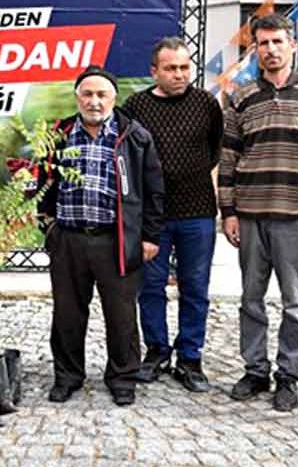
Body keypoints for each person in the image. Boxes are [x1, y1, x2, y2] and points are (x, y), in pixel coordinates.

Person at [218, 13, 298, 412]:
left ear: (292, 45)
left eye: (277, 42)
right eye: (263, 43)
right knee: (251, 300)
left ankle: (289, 375)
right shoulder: (241, 96)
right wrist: (228, 211)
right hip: (250, 215)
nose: (270, 50)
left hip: (296, 217)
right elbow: (228, 158)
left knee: (295, 302)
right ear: (254, 48)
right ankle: (255, 370)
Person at [39, 65, 164, 407]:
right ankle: (67, 376)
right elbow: (42, 183)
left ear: (113, 98)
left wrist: (149, 237)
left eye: (101, 94)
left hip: (116, 240)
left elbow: (154, 190)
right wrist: (49, 227)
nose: (94, 101)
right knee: (67, 314)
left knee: (121, 315)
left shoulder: (134, 136)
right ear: (77, 97)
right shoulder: (59, 134)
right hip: (69, 239)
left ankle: (122, 378)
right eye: (87, 94)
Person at [122, 38, 224, 390]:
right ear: (155, 71)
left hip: (198, 212)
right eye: (171, 68)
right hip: (153, 217)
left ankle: (190, 356)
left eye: (184, 67)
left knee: (195, 286)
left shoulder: (206, 104)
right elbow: (128, 157)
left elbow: (215, 150)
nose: (179, 74)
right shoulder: (136, 107)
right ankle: (157, 350)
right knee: (150, 287)